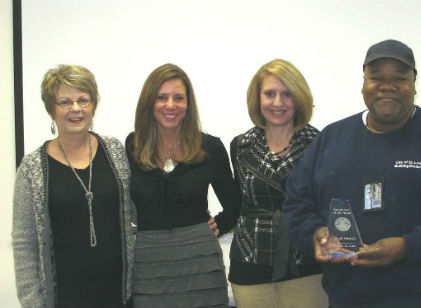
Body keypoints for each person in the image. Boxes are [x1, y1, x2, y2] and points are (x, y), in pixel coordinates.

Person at [283, 39, 421, 307]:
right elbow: (296, 205)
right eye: (376, 77)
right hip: (349, 299)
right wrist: (315, 233)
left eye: (399, 78)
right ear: (363, 85)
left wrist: (408, 247)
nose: (387, 86)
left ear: (414, 85)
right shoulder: (331, 140)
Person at [12, 64, 136, 308]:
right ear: (51, 110)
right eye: (65, 102)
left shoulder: (115, 151)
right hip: (64, 298)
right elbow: (24, 243)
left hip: (119, 295)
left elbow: (137, 208)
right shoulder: (32, 168)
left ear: (93, 105)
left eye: (83, 100)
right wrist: (32, 302)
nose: (76, 109)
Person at [126, 63, 240, 308]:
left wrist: (218, 225)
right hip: (148, 264)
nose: (170, 105)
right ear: (149, 103)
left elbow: (236, 206)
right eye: (162, 97)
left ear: (188, 104)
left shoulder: (209, 147)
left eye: (178, 98)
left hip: (200, 262)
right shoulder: (132, 146)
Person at [228, 59, 328, 308]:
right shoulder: (240, 146)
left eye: (287, 94)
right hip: (250, 260)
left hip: (305, 262)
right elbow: (237, 203)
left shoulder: (320, 144)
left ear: (299, 98)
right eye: (269, 94)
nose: (278, 103)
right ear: (257, 98)